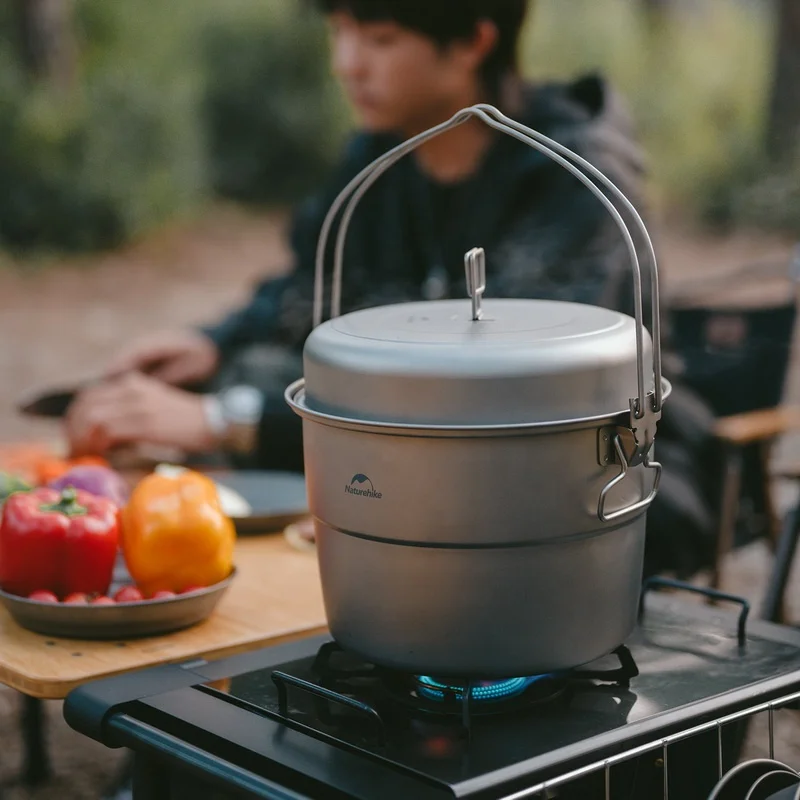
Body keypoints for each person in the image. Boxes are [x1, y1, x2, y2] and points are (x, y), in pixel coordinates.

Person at [66, 0, 650, 474]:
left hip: (579, 485)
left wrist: (226, 421)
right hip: (404, 474)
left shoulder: (573, 182)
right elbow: (314, 285)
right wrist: (213, 343)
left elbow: (502, 395)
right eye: (340, 30)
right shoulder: (378, 162)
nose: (348, 63)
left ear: (473, 41)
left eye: (380, 38)